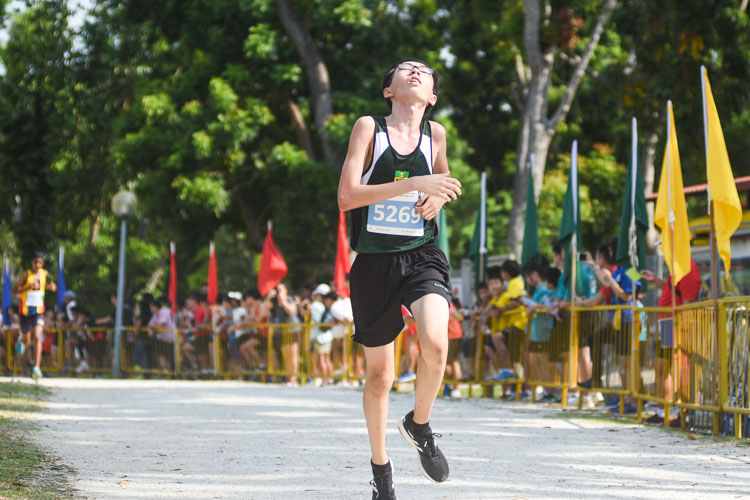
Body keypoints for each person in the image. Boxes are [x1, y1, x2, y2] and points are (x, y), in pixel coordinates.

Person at [337, 59, 462, 499]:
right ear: (388, 89)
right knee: (379, 378)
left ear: (431, 96)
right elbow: (347, 197)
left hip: (421, 255)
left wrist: (436, 198)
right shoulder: (370, 127)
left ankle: (420, 424)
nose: (415, 72)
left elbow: (442, 182)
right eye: (405, 69)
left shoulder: (437, 135)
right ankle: (382, 471)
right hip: (373, 262)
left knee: (437, 341)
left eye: (424, 72)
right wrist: (417, 183)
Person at [640, 258, 701, 426]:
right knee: (662, 368)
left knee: (679, 370)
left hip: (676, 325)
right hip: (668, 324)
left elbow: (687, 303)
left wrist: (680, 331)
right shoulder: (677, 264)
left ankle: (685, 415)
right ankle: (663, 411)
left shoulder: (686, 266)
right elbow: (673, 292)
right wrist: (657, 281)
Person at [13, 252, 57, 380]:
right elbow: (14, 291)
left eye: (40, 263)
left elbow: (43, 286)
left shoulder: (44, 274)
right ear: (32, 263)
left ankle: (36, 368)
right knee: (27, 340)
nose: (38, 265)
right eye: (35, 262)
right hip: (25, 312)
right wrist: (27, 287)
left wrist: (51, 287)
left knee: (38, 336)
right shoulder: (25, 275)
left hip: (38, 311)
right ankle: (21, 340)